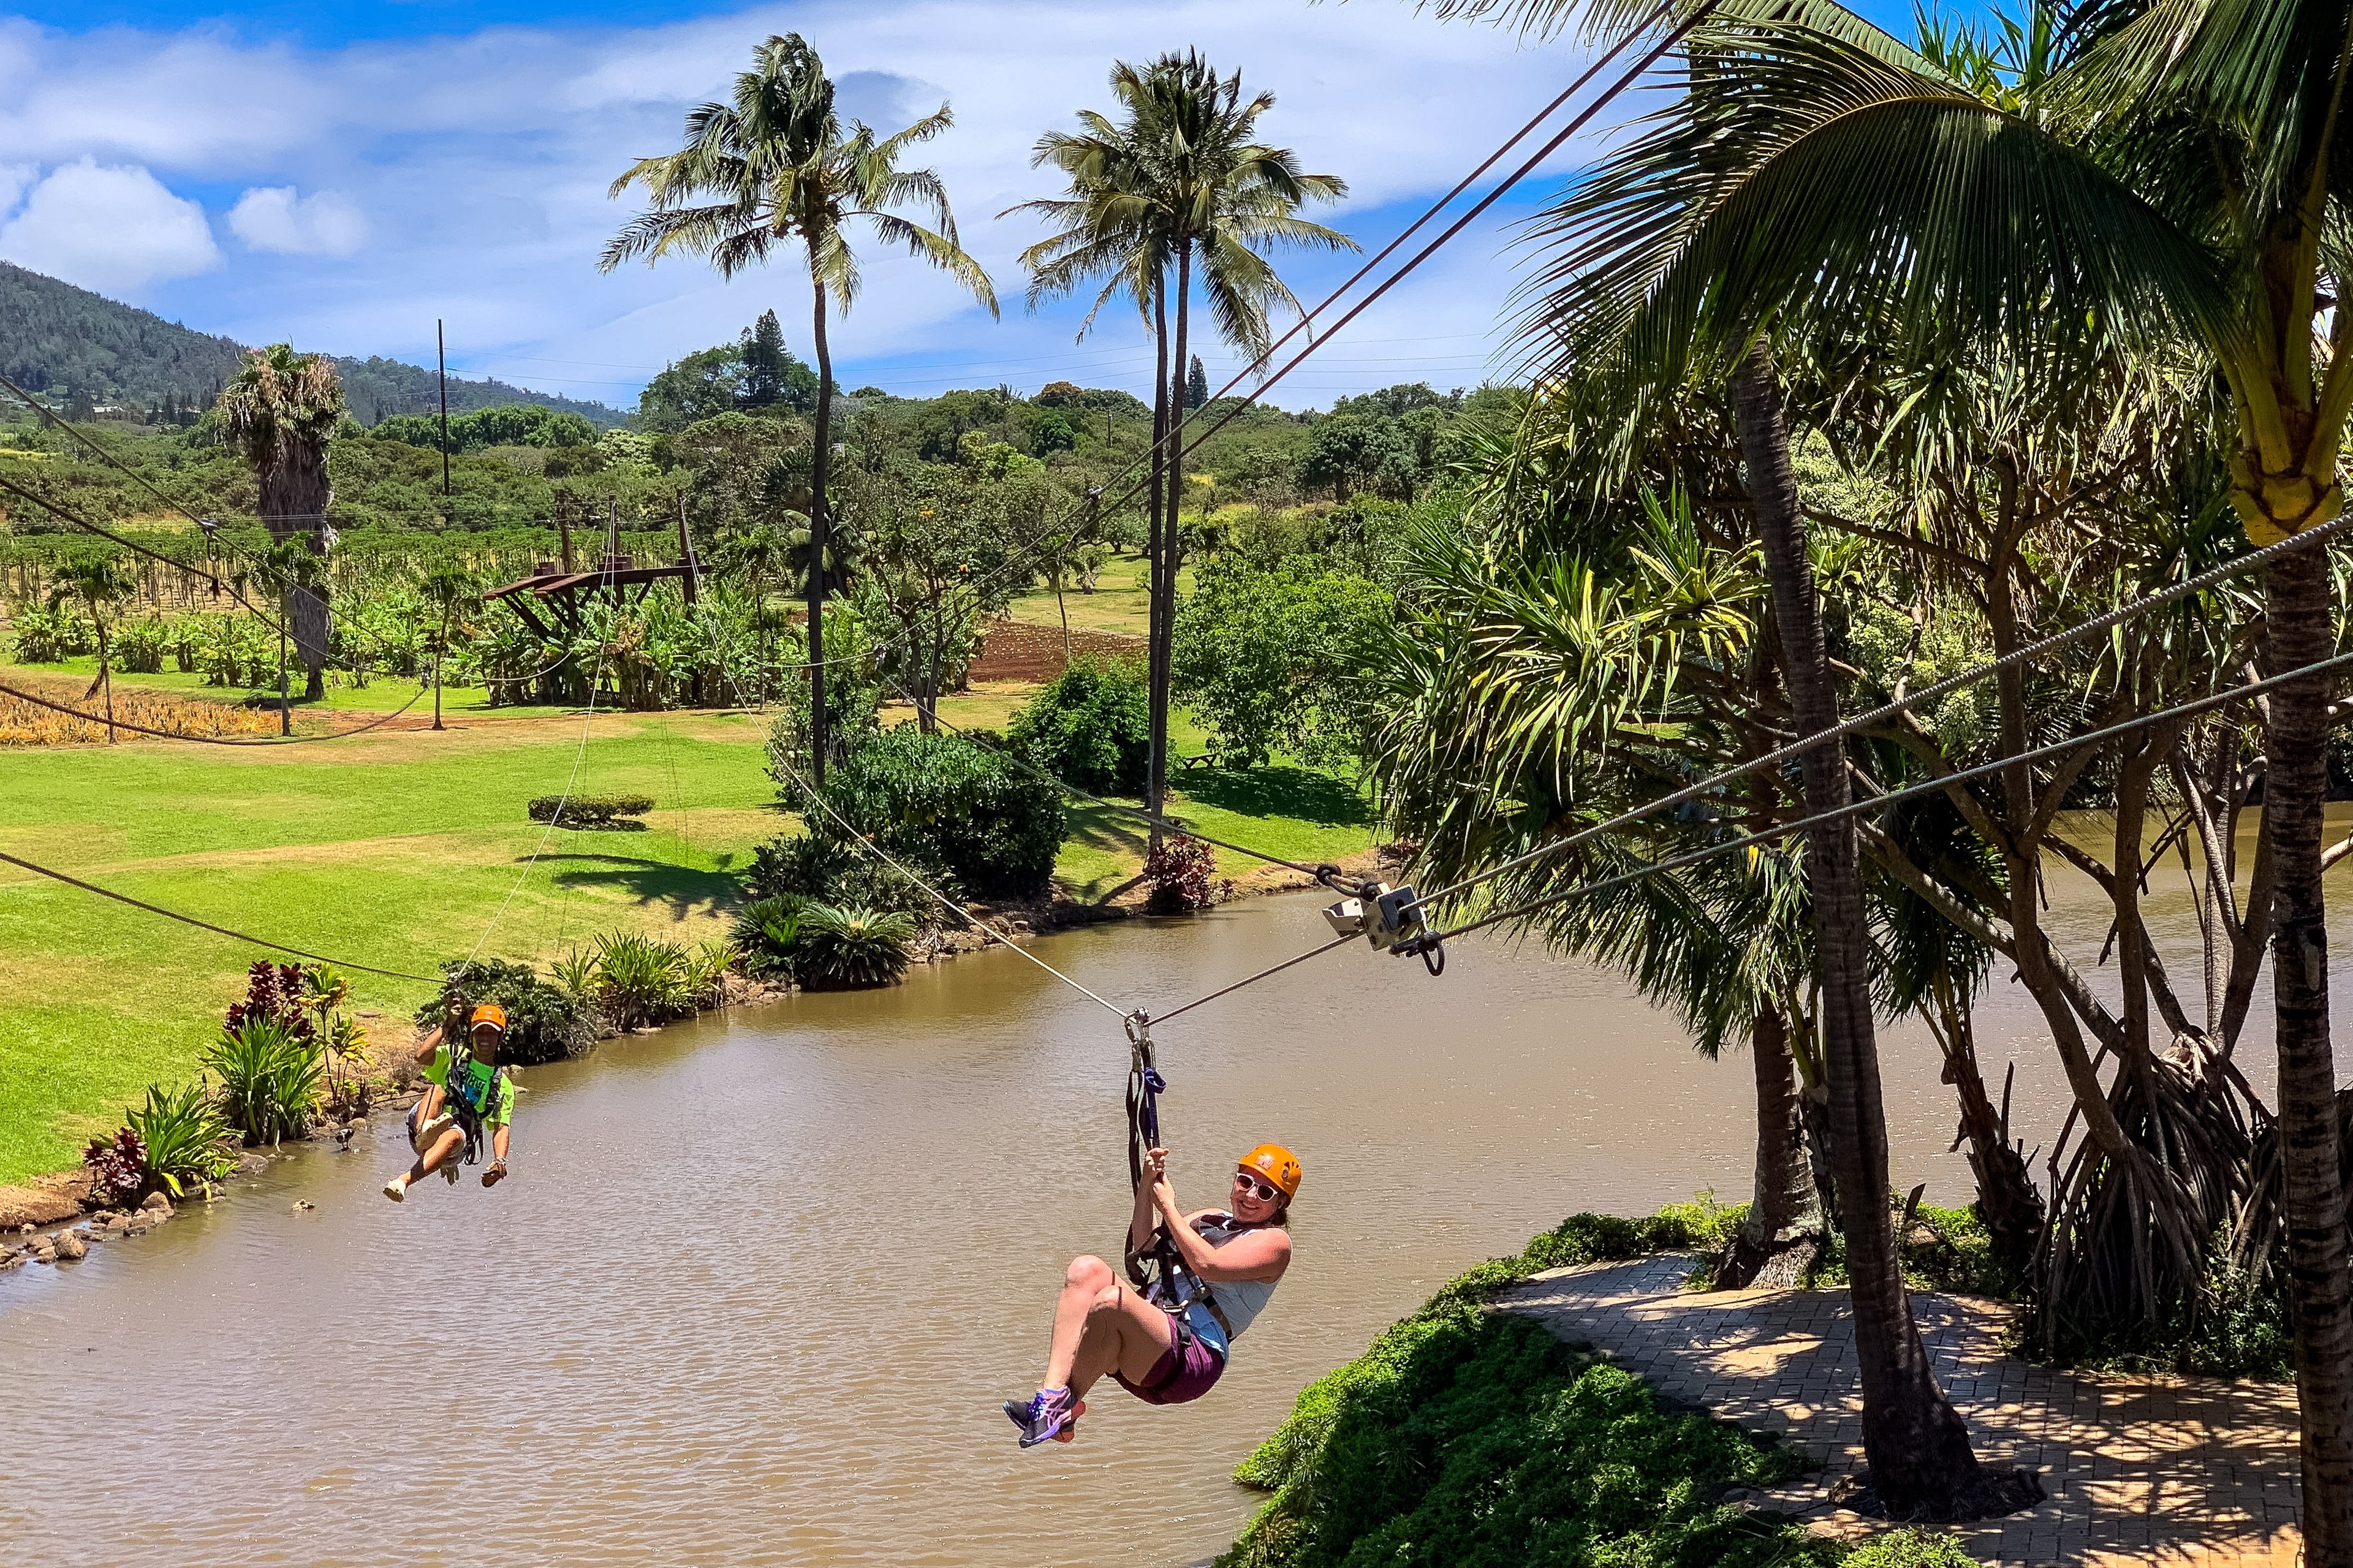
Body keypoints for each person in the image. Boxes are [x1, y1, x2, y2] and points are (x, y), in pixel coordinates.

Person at [1004, 1142, 1298, 1447]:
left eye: (1265, 1193)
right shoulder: (1212, 1219)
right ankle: (1051, 1400)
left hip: (1191, 1357)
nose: (1250, 1195)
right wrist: (1147, 1184)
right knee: (1085, 1269)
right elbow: (1145, 1245)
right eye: (1245, 1182)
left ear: (1280, 1204)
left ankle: (1061, 1409)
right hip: (1155, 1333)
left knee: (1110, 1301)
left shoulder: (1275, 1244)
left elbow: (1208, 1264)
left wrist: (1169, 1206)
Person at [384, 1002, 518, 1202]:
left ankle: (402, 1182)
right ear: (472, 1035)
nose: (484, 1039)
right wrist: (447, 1024)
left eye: (491, 1034)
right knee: (440, 1085)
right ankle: (426, 1131)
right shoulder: (456, 1056)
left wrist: (499, 1161)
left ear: (500, 1038)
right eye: (480, 1033)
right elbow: (421, 1056)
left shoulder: (503, 1086)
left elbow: (501, 1128)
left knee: (453, 1135)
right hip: (420, 1121)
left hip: (455, 1144)